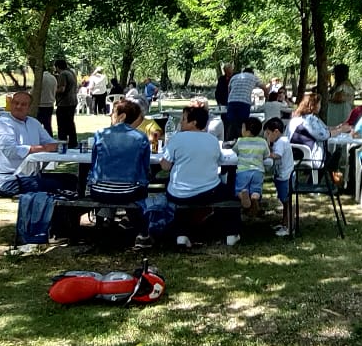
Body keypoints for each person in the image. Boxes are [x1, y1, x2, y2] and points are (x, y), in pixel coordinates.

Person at [0, 91, 72, 254]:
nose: (19, 107)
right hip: (10, 179)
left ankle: (64, 228)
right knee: (56, 185)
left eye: (23, 104)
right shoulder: (2, 125)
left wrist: (53, 146)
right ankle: (42, 231)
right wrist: (41, 149)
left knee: (71, 180)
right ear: (11, 104)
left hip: (31, 175)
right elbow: (11, 151)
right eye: (16, 103)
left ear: (30, 107)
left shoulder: (33, 123)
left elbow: (50, 142)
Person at [147, 104, 236, 249]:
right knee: (230, 194)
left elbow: (165, 166)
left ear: (193, 122)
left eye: (183, 119)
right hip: (208, 191)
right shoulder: (212, 140)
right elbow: (219, 160)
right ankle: (231, 232)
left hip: (179, 192)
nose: (180, 122)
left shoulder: (177, 139)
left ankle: (181, 235)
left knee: (180, 193)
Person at [87, 96, 155, 236]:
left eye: (113, 113)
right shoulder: (141, 137)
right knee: (141, 189)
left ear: (122, 116)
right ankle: (140, 230)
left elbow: (94, 163)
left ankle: (103, 222)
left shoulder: (100, 134)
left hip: (99, 190)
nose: (111, 116)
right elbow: (145, 167)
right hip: (128, 191)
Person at [264, 118, 296, 237]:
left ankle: (289, 226)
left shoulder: (281, 141)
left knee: (287, 201)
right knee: (284, 201)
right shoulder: (280, 141)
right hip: (282, 175)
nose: (267, 136)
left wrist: (266, 152)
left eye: (268, 133)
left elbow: (277, 155)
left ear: (276, 131)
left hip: (285, 176)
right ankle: (284, 223)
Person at [233, 116, 270, 220]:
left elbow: (234, 151)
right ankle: (254, 197)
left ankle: (243, 196)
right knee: (256, 189)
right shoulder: (262, 142)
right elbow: (267, 154)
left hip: (243, 171)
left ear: (247, 130)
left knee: (239, 189)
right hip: (258, 171)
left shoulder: (240, 141)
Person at [225, 64, 259, 135]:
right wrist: (268, 98)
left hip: (232, 102)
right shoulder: (253, 77)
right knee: (243, 123)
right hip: (244, 102)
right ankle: (240, 138)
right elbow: (264, 87)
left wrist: (229, 100)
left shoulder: (235, 77)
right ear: (252, 73)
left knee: (230, 122)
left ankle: (229, 139)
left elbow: (229, 90)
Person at [52, 57, 78, 145]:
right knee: (70, 123)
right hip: (73, 101)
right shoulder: (72, 73)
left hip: (64, 103)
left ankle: (62, 142)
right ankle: (73, 142)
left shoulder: (63, 74)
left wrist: (53, 90)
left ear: (58, 67)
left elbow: (62, 89)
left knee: (62, 124)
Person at [35, 64, 57, 136]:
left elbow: (35, 91)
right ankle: (49, 140)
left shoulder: (40, 79)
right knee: (47, 125)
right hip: (50, 104)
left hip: (41, 104)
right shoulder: (53, 78)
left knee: (37, 125)